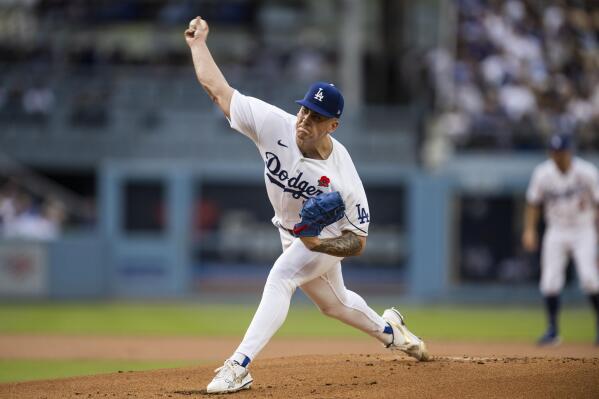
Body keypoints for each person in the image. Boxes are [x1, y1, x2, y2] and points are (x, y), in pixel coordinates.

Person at [184, 16, 429, 394]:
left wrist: (317, 245)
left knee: (282, 277)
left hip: (326, 235)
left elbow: (358, 241)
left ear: (333, 126)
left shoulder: (343, 179)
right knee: (335, 304)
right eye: (303, 110)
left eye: (316, 118)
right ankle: (393, 332)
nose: (304, 120)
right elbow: (217, 89)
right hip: (292, 231)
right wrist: (198, 44)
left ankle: (239, 366)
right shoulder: (274, 125)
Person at [522, 134, 599, 346]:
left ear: (570, 152)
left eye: (561, 152)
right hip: (556, 229)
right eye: (555, 153)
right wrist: (529, 229)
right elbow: (532, 202)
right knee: (549, 281)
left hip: (583, 229)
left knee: (590, 279)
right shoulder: (543, 173)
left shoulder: (587, 172)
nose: (558, 157)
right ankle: (553, 330)